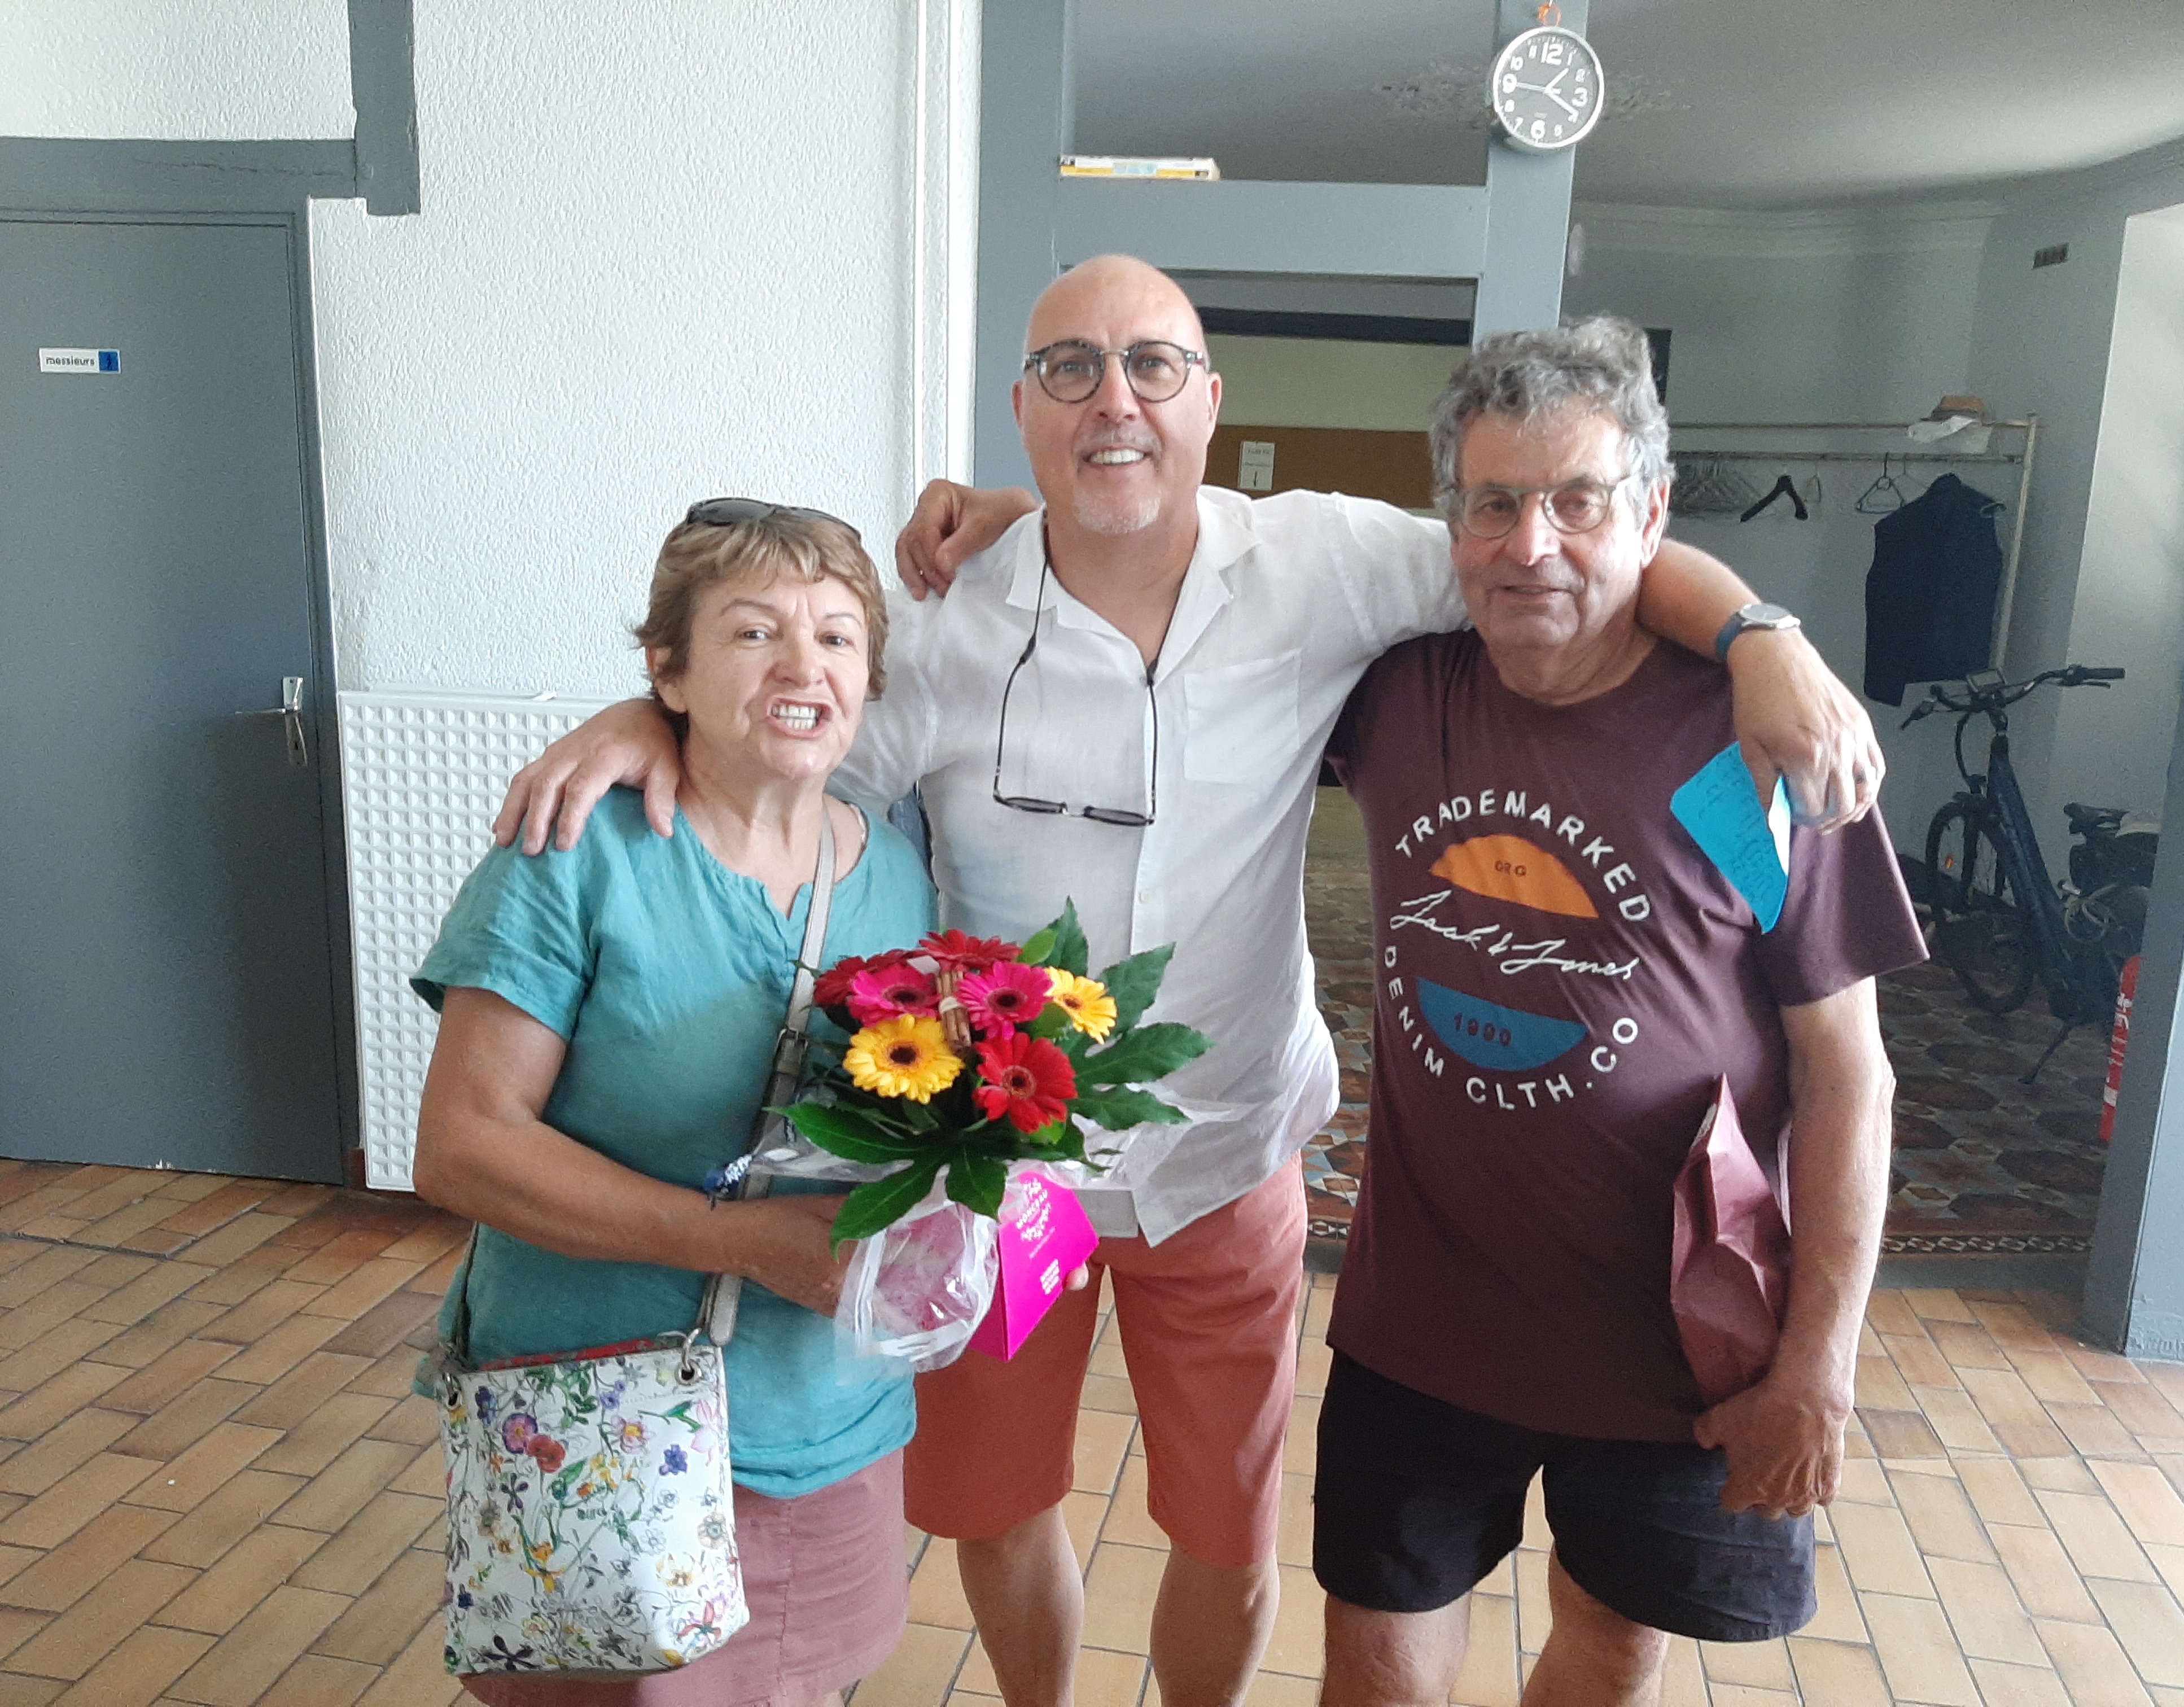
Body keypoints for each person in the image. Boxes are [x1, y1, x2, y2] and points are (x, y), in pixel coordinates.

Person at [488, 256, 1887, 1707]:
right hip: (1005, 1180)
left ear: (1210, 400)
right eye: (1073, 370)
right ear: (1021, 410)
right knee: (994, 1503)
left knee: (1225, 1528)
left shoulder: (1325, 563)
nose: (1117, 399)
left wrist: (1758, 636)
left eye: (1154, 365)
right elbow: (784, 739)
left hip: (1226, 1160)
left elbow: (1560, 552)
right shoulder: (949, 622)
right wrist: (640, 717)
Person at [1315, 318, 1923, 1706]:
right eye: (1492, 503)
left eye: (1579, 500)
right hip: (1425, 1321)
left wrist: (1817, 1365)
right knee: (1377, 1659)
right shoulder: (1400, 696)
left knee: (1608, 1648)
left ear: (1649, 513)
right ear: (1452, 522)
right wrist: (1010, 522)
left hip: (1677, 1343)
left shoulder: (1746, 754)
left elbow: (1848, 1080)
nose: (1532, 543)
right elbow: (1188, 565)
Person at [413, 502, 940, 1707]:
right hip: (596, 1408)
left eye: (840, 637)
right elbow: (462, 1147)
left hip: (826, 1416)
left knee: (803, 1683)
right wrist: (730, 1242)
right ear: (669, 671)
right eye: (755, 634)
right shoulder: (572, 852)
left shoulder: (900, 872)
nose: (806, 667)